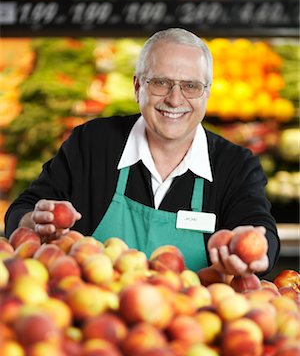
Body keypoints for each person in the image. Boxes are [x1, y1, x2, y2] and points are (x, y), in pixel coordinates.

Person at [5, 28, 280, 276]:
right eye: (161, 83)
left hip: (193, 325)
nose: (175, 99)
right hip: (97, 319)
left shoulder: (234, 165)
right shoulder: (93, 143)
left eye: (191, 86)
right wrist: (35, 222)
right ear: (138, 87)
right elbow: (22, 210)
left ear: (207, 94)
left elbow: (261, 230)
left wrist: (255, 246)